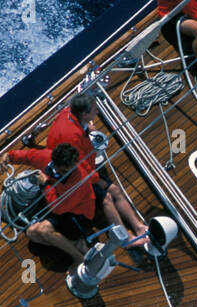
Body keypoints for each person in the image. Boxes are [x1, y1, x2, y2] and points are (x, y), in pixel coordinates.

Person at [45, 93, 149, 247]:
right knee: (106, 197)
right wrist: (97, 180)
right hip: (69, 174)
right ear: (84, 113)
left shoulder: (68, 113)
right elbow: (79, 165)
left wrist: (86, 129)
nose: (97, 112)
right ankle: (125, 239)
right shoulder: (72, 137)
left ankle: (139, 227)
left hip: (75, 164)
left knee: (116, 190)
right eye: (94, 110)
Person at [7, 143, 107, 272]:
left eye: (71, 168)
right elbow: (28, 156)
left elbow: (58, 208)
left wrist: (45, 185)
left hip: (79, 216)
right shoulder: (47, 157)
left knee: (43, 231)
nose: (69, 172)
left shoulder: (79, 180)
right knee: (32, 233)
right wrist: (9, 156)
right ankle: (75, 244)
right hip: (58, 206)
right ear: (55, 162)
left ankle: (78, 257)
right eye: (64, 170)